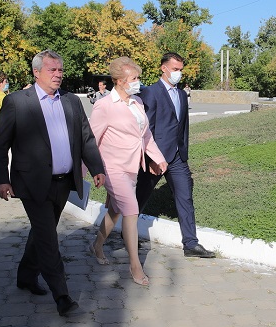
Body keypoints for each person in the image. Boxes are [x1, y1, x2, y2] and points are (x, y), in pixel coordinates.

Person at [0, 50, 105, 317]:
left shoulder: (71, 102)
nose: (58, 75)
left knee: (43, 232)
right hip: (31, 182)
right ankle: (62, 296)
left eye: (60, 70)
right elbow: (1, 143)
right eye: (52, 70)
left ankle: (26, 276)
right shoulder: (17, 102)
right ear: (36, 72)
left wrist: (97, 168)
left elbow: (86, 138)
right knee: (48, 238)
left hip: (63, 182)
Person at [88, 57, 167, 287]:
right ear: (119, 81)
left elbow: (146, 136)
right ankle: (135, 266)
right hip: (112, 168)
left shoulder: (137, 103)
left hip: (133, 167)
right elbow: (91, 139)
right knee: (131, 210)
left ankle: (97, 245)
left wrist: (158, 158)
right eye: (133, 79)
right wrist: (92, 169)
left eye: (137, 78)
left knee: (115, 211)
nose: (138, 82)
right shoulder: (104, 106)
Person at [136, 52, 215, 258]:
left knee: (185, 197)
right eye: (175, 69)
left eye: (180, 70)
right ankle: (127, 235)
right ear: (163, 68)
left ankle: (191, 244)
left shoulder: (181, 94)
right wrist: (151, 158)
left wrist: (184, 150)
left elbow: (183, 126)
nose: (178, 73)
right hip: (156, 157)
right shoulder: (151, 92)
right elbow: (146, 128)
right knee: (139, 197)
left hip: (178, 156)